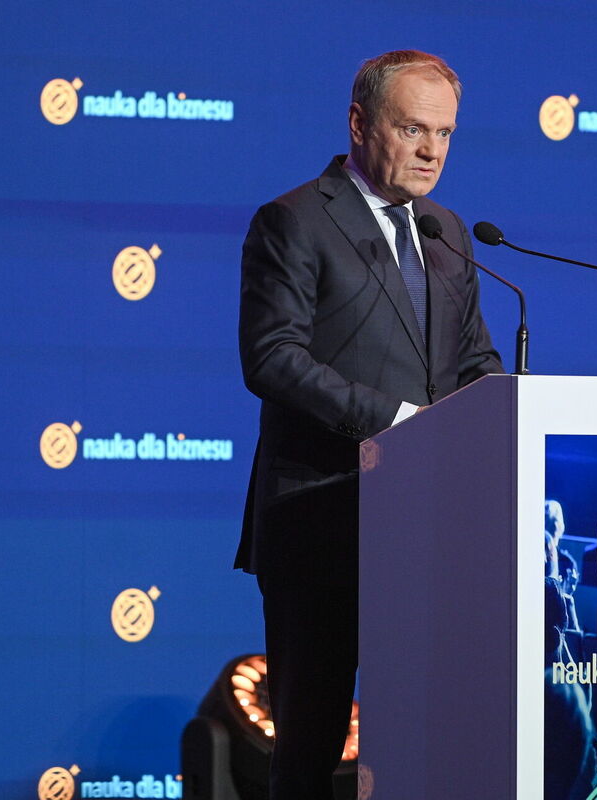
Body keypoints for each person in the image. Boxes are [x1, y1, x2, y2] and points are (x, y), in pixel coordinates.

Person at [235, 50, 503, 799]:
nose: (431, 151)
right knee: (311, 750)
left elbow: (473, 360)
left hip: (426, 536)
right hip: (320, 521)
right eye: (413, 128)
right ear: (359, 124)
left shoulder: (448, 231)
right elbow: (271, 358)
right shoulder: (294, 221)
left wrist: (507, 414)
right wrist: (395, 425)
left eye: (445, 134)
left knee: (426, 741)